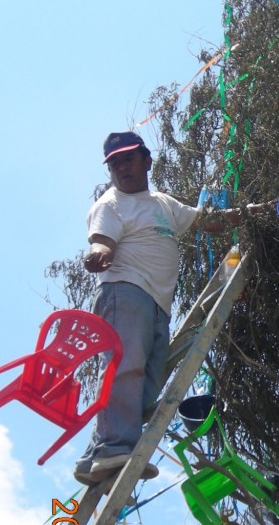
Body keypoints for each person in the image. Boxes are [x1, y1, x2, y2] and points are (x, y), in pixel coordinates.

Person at [74, 131, 250, 487]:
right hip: (124, 292)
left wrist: (248, 215)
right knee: (124, 368)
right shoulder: (110, 205)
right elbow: (101, 242)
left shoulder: (163, 203)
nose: (122, 167)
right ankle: (112, 448)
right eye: (115, 163)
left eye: (128, 159)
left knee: (148, 382)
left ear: (146, 160)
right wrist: (99, 256)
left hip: (157, 304)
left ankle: (94, 455)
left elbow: (205, 220)